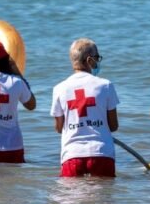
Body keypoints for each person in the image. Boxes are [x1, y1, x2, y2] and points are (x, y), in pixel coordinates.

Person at [50, 38, 119, 177]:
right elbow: (113, 126)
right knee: (103, 198)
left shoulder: (59, 88)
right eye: (97, 58)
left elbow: (58, 128)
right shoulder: (105, 85)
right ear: (89, 60)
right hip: (102, 153)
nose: (98, 62)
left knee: (70, 197)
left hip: (72, 155)